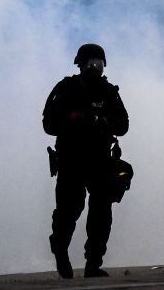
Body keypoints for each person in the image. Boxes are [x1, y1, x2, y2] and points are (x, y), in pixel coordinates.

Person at [42, 43, 130, 278]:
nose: (95, 68)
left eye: (99, 64)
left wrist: (103, 122)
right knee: (69, 209)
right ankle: (61, 251)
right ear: (80, 65)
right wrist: (74, 122)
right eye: (91, 63)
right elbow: (48, 124)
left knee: (102, 212)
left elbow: (123, 125)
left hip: (100, 159)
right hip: (72, 159)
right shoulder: (66, 89)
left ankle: (93, 263)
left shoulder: (109, 91)